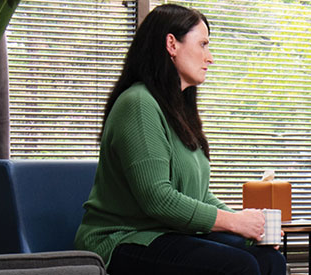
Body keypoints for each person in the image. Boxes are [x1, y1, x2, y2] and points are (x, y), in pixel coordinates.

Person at [73, 4, 285, 275]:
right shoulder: (138, 104)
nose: (210, 58)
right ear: (172, 44)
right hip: (123, 240)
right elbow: (158, 199)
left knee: (268, 259)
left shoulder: (177, 110)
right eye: (203, 44)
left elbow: (197, 196)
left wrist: (248, 225)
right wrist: (233, 222)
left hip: (167, 234)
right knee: (238, 266)